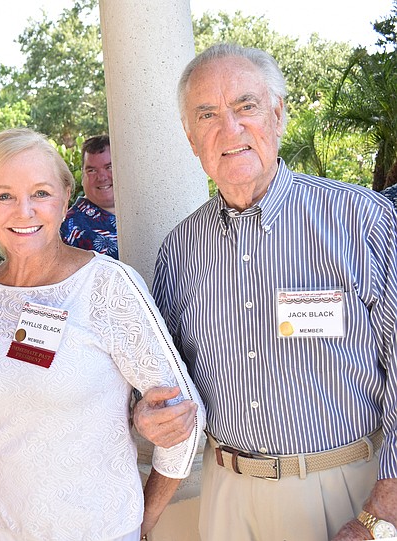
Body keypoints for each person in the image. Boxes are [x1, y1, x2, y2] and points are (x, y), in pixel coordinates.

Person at [147, 43, 397, 541]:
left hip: (347, 488)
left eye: (246, 105)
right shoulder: (179, 250)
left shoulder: (362, 220)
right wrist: (150, 411)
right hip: (226, 496)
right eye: (208, 115)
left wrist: (384, 508)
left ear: (278, 115)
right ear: (191, 137)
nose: (230, 129)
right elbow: (167, 380)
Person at [0, 127, 205, 541]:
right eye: (4, 196)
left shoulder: (107, 286)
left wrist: (144, 519)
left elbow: (184, 414)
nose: (24, 211)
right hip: (2, 530)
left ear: (65, 198)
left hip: (103, 530)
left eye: (40, 193)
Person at [60, 134, 119, 258]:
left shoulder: (143, 213)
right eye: (92, 170)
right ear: (82, 176)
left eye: (109, 167)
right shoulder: (67, 229)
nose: (102, 177)